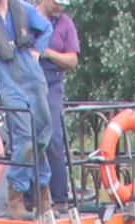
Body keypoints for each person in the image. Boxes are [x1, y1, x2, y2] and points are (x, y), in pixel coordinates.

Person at [0, 0, 56, 211]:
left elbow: (46, 28)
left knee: (43, 130)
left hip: (32, 76)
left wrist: (38, 49)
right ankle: (16, 192)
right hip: (7, 81)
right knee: (24, 134)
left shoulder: (24, 9)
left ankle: (39, 186)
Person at [37, 6, 82, 203]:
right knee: (27, 139)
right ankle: (31, 196)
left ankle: (60, 197)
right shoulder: (26, 15)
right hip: (27, 82)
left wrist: (47, 53)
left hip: (53, 83)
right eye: (57, 2)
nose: (61, 7)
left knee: (54, 138)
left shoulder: (65, 23)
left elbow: (72, 60)